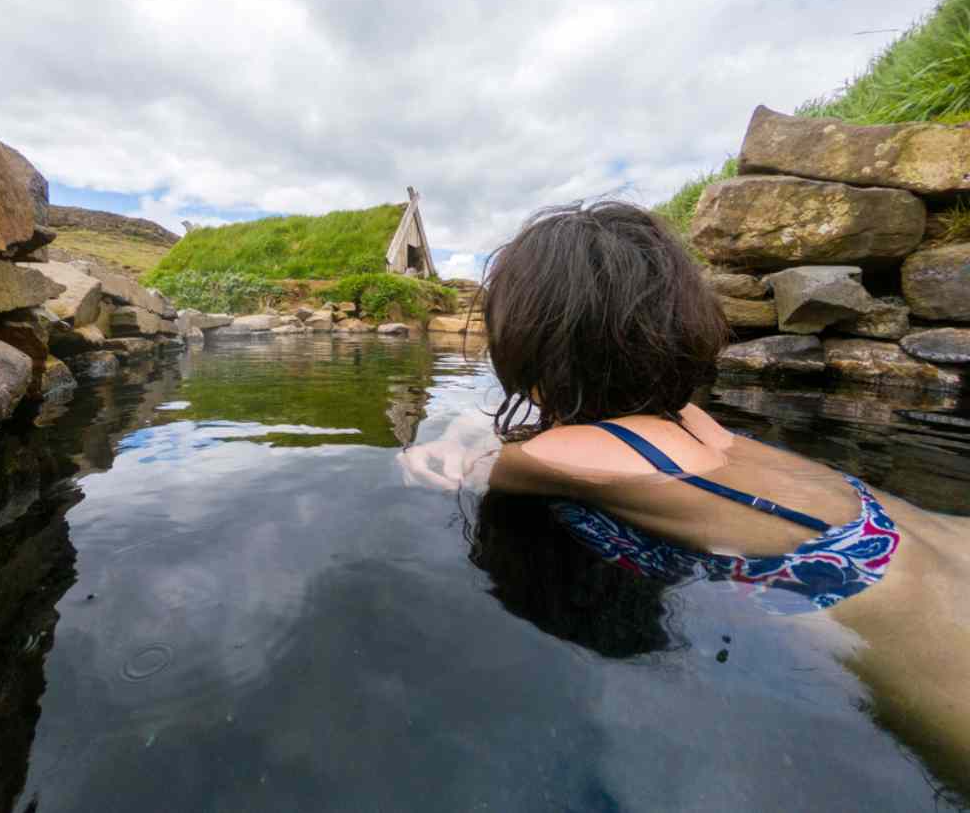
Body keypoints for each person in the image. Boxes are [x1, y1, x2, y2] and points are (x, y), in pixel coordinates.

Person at [399, 201, 970, 798]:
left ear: (530, 340)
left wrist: (442, 438)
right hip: (905, 540)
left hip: (890, 628)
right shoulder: (696, 419)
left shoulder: (549, 458)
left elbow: (463, 467)